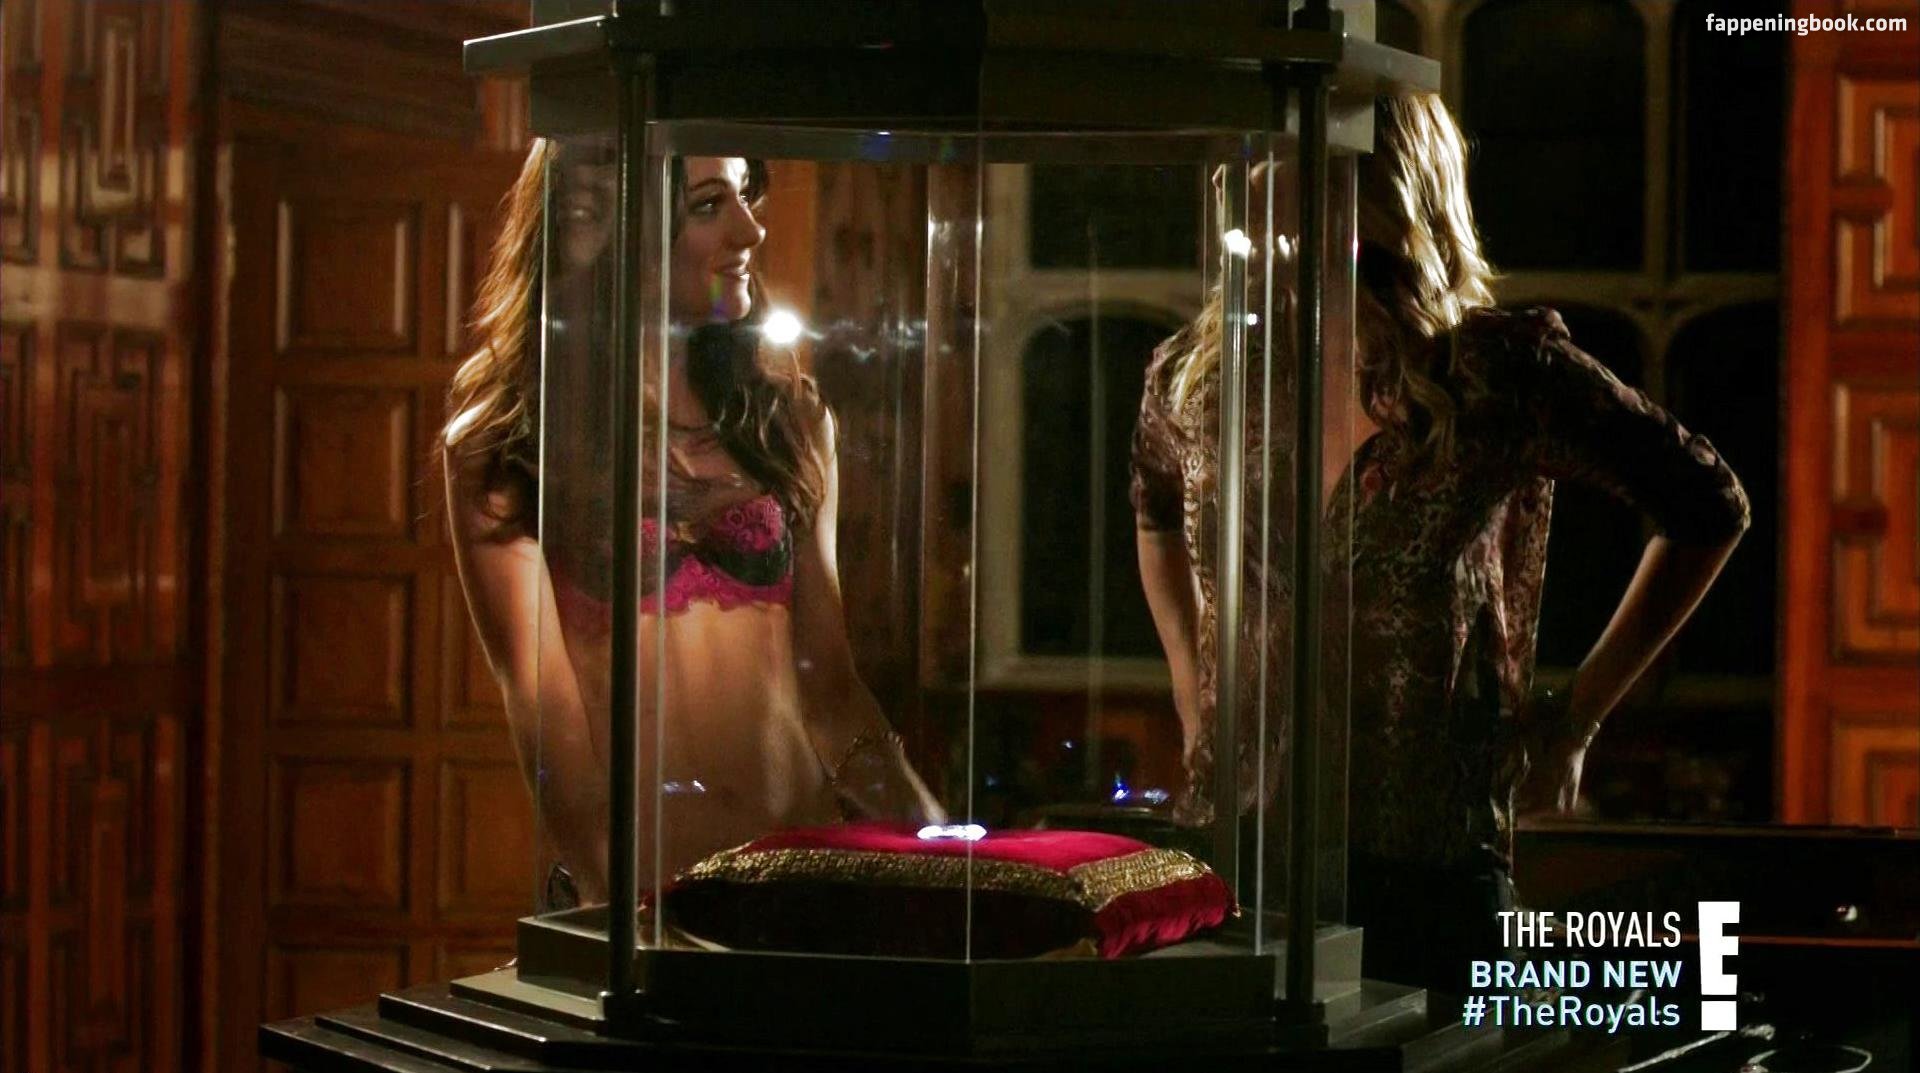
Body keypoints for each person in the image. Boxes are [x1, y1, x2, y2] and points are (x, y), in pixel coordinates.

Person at [1130, 94, 1749, 991]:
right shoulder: (1206, 376)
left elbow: (1708, 505)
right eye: (1257, 162)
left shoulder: (1492, 372)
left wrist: (1577, 717)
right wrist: (1195, 697)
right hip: (1247, 858)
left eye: (1295, 158)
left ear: (1380, 185)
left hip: (1429, 872)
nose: (1260, 185)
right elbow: (1154, 512)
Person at [443, 142, 942, 904]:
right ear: (612, 225)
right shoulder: (513, 445)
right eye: (709, 205)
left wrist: (939, 849)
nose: (751, 229)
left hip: (802, 889)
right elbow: (545, 713)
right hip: (644, 904)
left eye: (746, 194)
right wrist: (625, 910)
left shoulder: (789, 422)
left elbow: (833, 690)